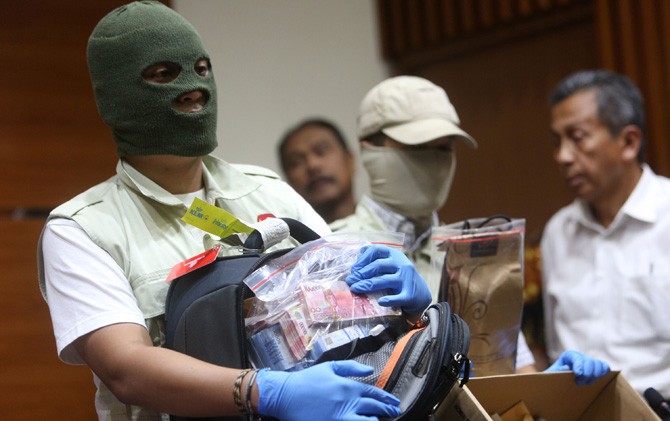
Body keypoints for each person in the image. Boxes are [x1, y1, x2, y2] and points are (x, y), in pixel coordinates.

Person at [37, 2, 430, 420]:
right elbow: (126, 369)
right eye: (164, 74)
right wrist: (263, 391)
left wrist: (403, 303)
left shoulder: (268, 191)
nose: (194, 88)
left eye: (202, 69)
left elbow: (348, 307)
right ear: (115, 96)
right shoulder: (83, 230)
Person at [332, 75, 610, 381]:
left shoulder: (477, 257)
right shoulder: (333, 252)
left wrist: (550, 384)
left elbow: (512, 376)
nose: (433, 162)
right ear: (370, 150)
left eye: (444, 148)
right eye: (417, 147)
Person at [542, 69, 670, 397]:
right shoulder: (557, 233)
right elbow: (556, 347)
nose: (562, 157)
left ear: (629, 142)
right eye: (557, 142)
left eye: (577, 137)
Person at [278, 118, 356, 223]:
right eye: (296, 162)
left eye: (321, 151)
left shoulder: (379, 223)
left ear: (350, 160)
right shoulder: (283, 234)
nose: (313, 165)